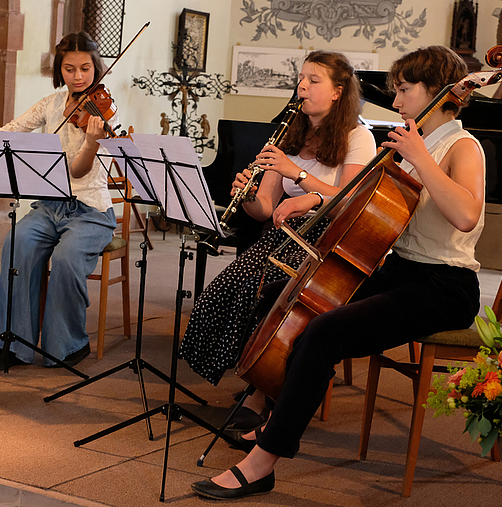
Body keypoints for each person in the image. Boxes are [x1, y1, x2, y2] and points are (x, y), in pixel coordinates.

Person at [190, 45, 485, 500]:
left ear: (440, 92)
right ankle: (272, 406)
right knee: (283, 297)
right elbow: (363, 209)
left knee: (324, 331)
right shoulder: (413, 144)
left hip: (445, 285)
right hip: (399, 269)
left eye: (404, 90)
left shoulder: (462, 146)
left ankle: (265, 460)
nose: (397, 101)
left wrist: (420, 159)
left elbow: (466, 215)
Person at [178, 51, 376, 430]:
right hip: (284, 235)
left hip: (329, 242)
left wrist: (297, 174)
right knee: (226, 288)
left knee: (264, 294)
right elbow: (266, 208)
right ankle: (256, 376)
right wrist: (248, 195)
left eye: (313, 80)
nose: (302, 86)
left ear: (338, 91)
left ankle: (261, 392)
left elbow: (351, 199)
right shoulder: (290, 133)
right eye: (301, 78)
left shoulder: (358, 136)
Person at [0, 32, 118, 370]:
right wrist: (6, 143)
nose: (78, 77)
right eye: (69, 69)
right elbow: (9, 130)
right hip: (50, 206)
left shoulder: (103, 114)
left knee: (67, 258)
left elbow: (79, 172)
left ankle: (68, 344)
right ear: (60, 70)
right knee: (18, 243)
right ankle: (14, 345)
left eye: (85, 68)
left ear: (95, 68)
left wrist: (91, 142)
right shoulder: (51, 104)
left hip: (91, 212)